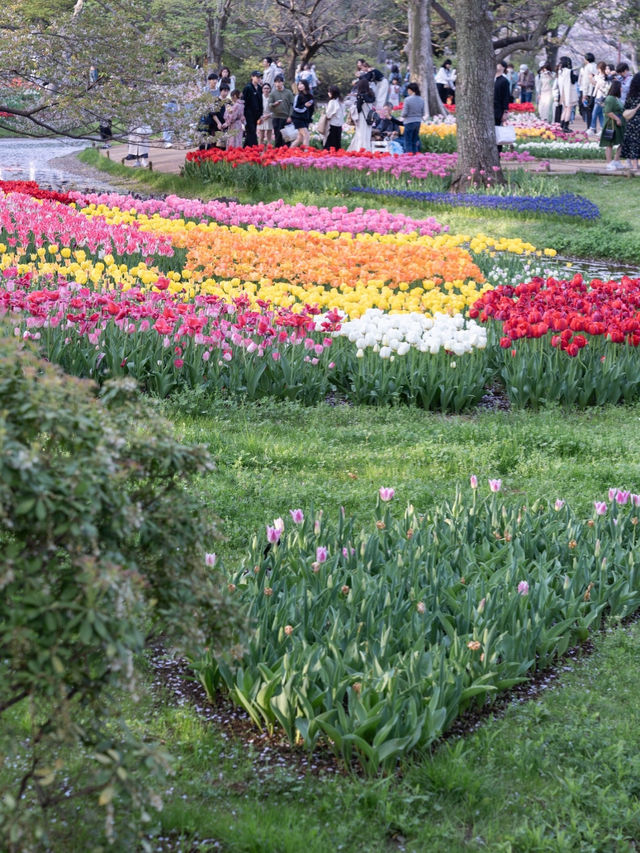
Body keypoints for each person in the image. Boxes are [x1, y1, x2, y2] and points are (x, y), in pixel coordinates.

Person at [600, 79, 626, 170]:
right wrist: (617, 118)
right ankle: (609, 163)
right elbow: (608, 112)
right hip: (611, 124)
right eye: (621, 87)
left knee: (622, 142)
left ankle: (616, 160)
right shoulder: (610, 98)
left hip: (619, 123)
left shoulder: (616, 98)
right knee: (609, 144)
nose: (622, 89)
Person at [348, 77, 376, 151]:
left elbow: (359, 109)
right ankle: (367, 149)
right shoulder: (371, 95)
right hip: (369, 117)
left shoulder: (361, 96)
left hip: (362, 117)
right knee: (367, 134)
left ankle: (360, 149)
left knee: (361, 134)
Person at [620, 72, 640, 171]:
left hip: (632, 123)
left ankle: (635, 166)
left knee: (634, 143)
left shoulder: (631, 95)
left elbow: (624, 109)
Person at [268, 74, 294, 147]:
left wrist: (290, 116)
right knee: (277, 136)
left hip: (286, 118)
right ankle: (277, 151)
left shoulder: (288, 92)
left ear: (282, 82)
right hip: (276, 117)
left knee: (286, 137)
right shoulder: (273, 93)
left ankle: (286, 152)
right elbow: (269, 105)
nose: (278, 84)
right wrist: (274, 104)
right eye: (276, 82)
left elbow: (292, 105)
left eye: (279, 82)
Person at [290, 79, 314, 147]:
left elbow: (311, 109)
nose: (299, 86)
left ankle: (289, 151)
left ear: (306, 85)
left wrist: (309, 119)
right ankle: (306, 154)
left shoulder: (310, 96)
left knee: (299, 138)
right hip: (298, 118)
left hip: (305, 119)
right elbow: (295, 108)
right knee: (306, 135)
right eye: (299, 84)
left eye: (301, 84)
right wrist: (304, 106)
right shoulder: (298, 96)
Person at [401, 81, 424, 153]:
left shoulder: (407, 100)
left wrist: (401, 116)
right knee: (415, 141)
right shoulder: (421, 99)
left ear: (411, 90)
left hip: (409, 122)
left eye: (408, 90)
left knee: (408, 142)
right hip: (418, 122)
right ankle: (416, 157)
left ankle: (409, 158)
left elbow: (404, 113)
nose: (407, 91)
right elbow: (423, 112)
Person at [242, 70, 263, 146]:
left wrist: (261, 114)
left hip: (257, 114)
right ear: (252, 77)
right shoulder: (248, 88)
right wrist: (243, 114)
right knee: (251, 131)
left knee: (252, 131)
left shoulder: (260, 88)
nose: (258, 78)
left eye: (259, 77)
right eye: (257, 77)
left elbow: (261, 102)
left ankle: (245, 148)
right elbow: (243, 101)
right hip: (248, 113)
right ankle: (255, 147)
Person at [557, 56, 577, 131]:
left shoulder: (560, 72)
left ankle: (561, 125)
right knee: (568, 109)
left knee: (564, 109)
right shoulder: (569, 71)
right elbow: (573, 80)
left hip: (562, 93)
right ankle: (566, 126)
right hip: (569, 93)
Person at [588, 62, 609, 133]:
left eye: (598, 68)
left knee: (594, 113)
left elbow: (596, 84)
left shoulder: (605, 77)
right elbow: (595, 84)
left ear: (600, 68)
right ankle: (603, 129)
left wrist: (591, 78)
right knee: (600, 114)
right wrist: (591, 78)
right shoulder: (599, 75)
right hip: (597, 96)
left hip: (601, 97)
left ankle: (592, 127)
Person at [578, 52, 597, 127]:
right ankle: (593, 127)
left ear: (587, 59)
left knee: (589, 110)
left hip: (589, 91)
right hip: (596, 90)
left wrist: (584, 94)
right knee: (594, 110)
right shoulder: (596, 66)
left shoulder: (587, 67)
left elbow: (585, 81)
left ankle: (590, 127)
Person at [323, 85, 345, 150]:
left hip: (333, 124)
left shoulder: (332, 102)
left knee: (330, 143)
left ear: (333, 93)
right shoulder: (341, 101)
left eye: (329, 92)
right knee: (337, 142)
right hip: (339, 124)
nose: (328, 93)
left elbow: (329, 114)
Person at [257, 82, 274, 146]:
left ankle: (269, 150)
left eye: (268, 88)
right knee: (261, 136)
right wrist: (260, 116)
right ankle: (259, 150)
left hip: (269, 117)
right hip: (261, 117)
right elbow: (257, 108)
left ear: (270, 89)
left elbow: (275, 109)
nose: (266, 90)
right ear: (262, 89)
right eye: (264, 88)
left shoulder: (272, 97)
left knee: (269, 137)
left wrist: (269, 115)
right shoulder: (259, 97)